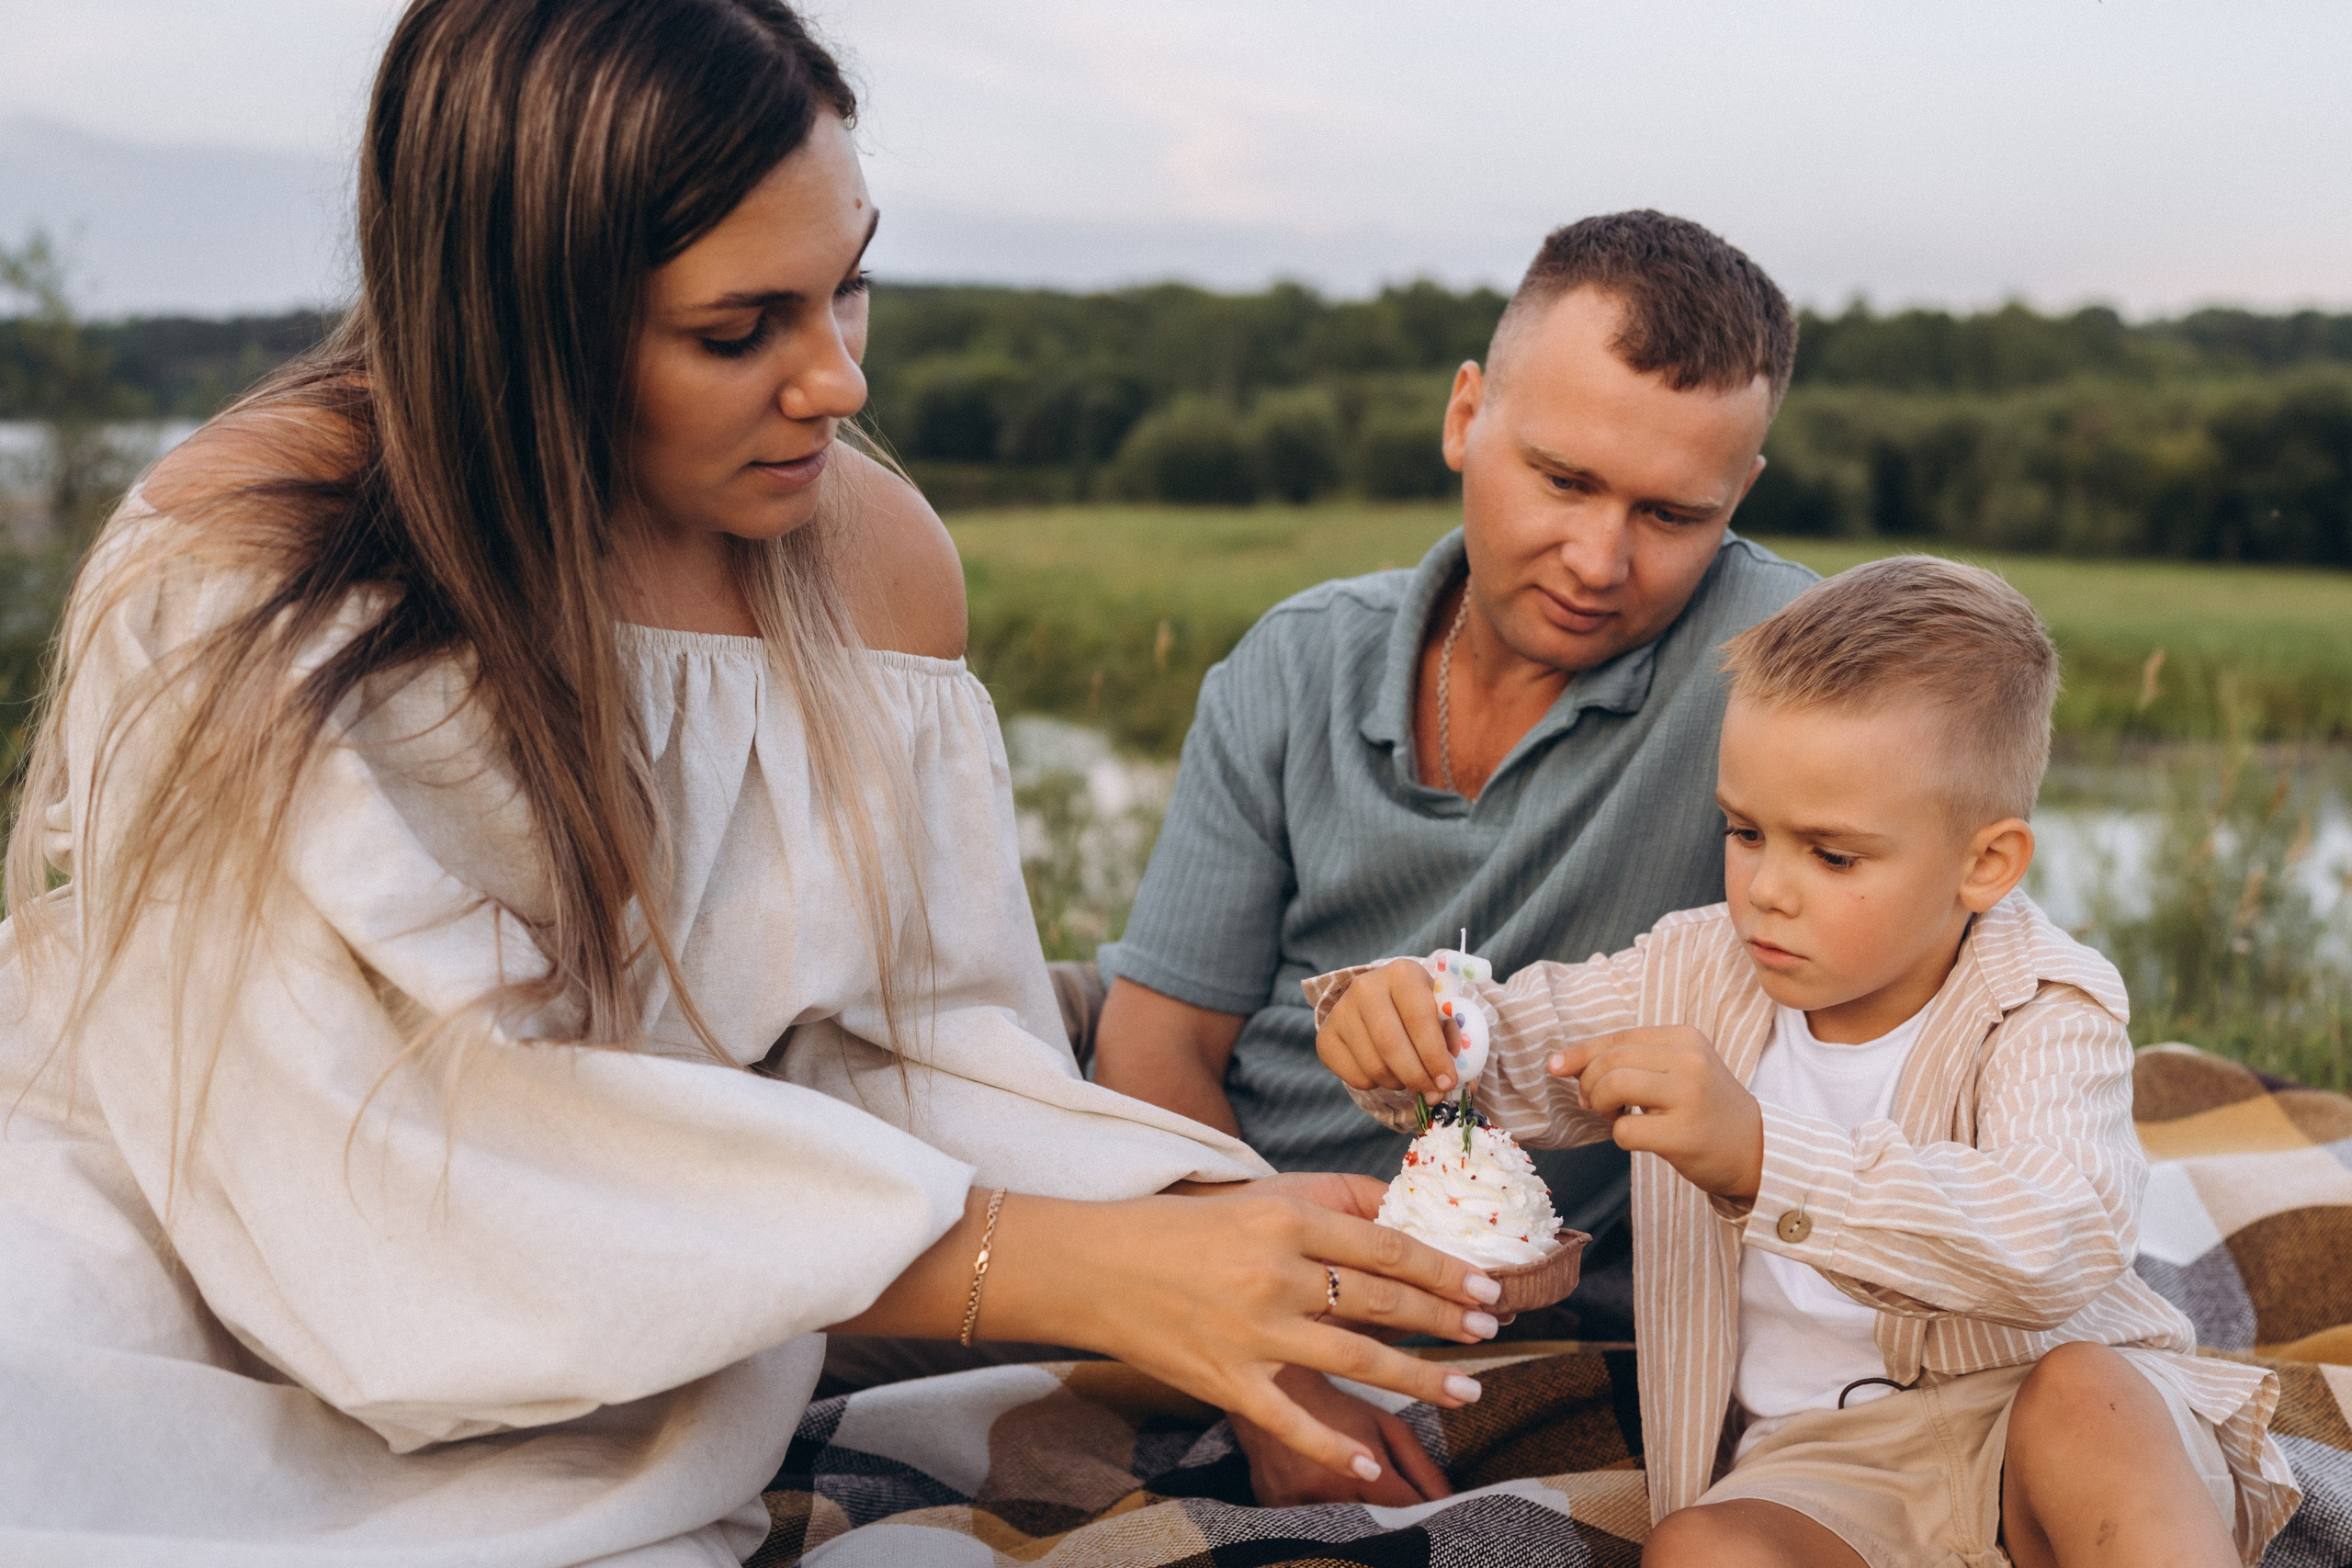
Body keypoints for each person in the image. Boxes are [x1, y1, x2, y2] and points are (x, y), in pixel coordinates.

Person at [0, 4, 1507, 1563]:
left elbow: (914, 1039)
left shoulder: (873, 564)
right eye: (741, 331)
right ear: (524, 326)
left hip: (666, 1340)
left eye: (851, 283)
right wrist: (1059, 1268)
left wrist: (1215, 1266)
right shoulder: (255, 574)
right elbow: (386, 1174)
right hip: (190, 1291)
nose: (838, 381)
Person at [1312, 558, 2298, 1567]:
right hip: (1826, 1465)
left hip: (2042, 1406)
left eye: (1831, 855)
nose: (1767, 891)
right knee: (1698, 1549)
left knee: (2092, 1400)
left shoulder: (2045, 1005)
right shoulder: (1693, 970)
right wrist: (1402, 1020)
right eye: (1745, 831)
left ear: (1984, 864)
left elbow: (2052, 1237)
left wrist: (1763, 1159)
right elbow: (1510, 1050)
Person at [1090, 211, 1817, 1502]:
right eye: (1563, 480)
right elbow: (1155, 1050)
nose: (1600, 560)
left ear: (1740, 495)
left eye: (1672, 513)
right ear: (1465, 416)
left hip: (1528, 1297)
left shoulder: (1786, 664)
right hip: (1227, 1236)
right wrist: (1274, 1366)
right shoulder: (1292, 662)